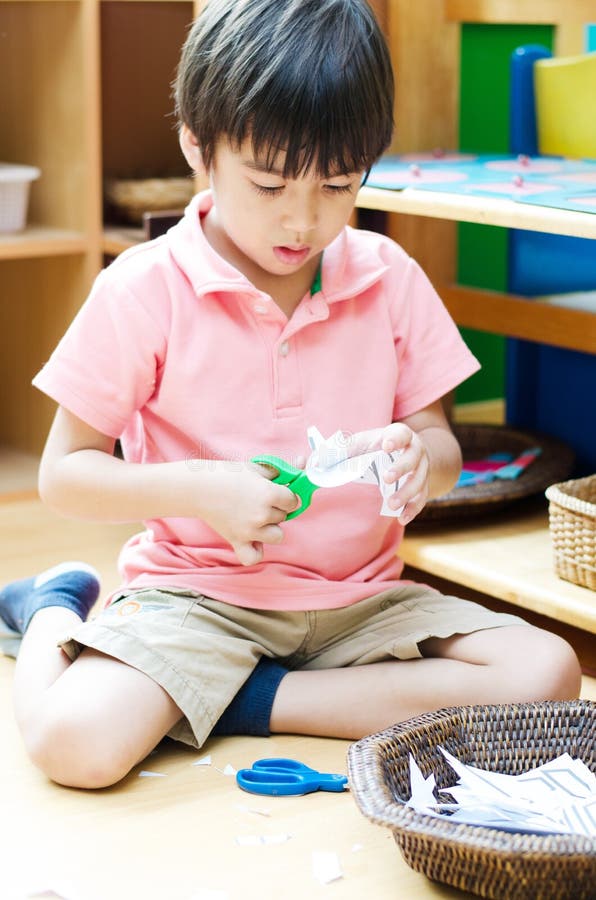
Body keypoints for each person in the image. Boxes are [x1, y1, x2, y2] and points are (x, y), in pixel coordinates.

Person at [0, 0, 581, 790]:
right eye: (270, 184)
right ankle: (50, 611)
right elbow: (63, 474)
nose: (304, 220)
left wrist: (421, 463)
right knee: (76, 744)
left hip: (361, 604)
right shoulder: (142, 289)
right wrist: (203, 490)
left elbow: (442, 448)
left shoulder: (387, 276)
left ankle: (251, 700)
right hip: (196, 598)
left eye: (339, 184)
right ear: (197, 148)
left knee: (546, 672)